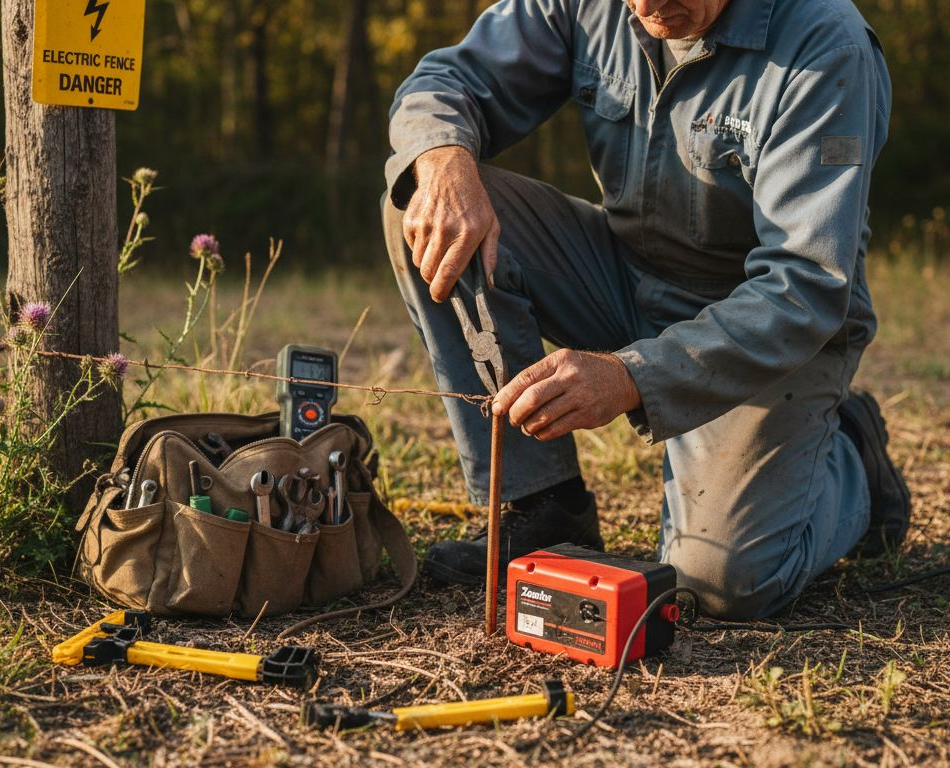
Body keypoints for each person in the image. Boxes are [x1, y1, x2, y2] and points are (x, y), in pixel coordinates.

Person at [381, 0, 910, 619]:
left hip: (765, 326)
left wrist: (634, 376)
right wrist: (444, 160)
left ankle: (850, 461)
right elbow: (445, 80)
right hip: (623, 276)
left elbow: (807, 285)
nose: (649, 4)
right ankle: (544, 508)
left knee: (719, 583)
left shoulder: (827, 47)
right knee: (418, 204)